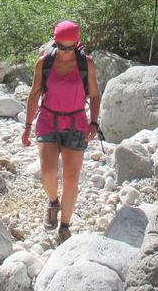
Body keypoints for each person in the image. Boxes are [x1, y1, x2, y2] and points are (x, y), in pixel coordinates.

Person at [22, 20, 100, 243]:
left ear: (77, 44)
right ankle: (53, 201)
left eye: (71, 48)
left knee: (71, 178)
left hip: (76, 122)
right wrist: (27, 127)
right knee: (47, 172)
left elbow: (94, 95)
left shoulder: (87, 64)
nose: (66, 53)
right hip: (48, 119)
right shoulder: (43, 63)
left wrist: (93, 122)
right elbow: (34, 94)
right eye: (62, 47)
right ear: (55, 42)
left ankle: (65, 225)